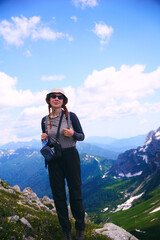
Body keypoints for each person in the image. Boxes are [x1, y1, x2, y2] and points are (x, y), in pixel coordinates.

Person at [41, 88, 85, 240]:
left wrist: (73, 134)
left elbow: (82, 136)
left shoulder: (71, 116)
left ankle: (80, 230)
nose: (56, 99)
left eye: (60, 97)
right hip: (54, 160)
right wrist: (44, 138)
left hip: (71, 156)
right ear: (49, 100)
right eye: (53, 96)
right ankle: (66, 231)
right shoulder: (44, 120)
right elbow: (48, 142)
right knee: (58, 195)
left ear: (64, 101)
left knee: (75, 192)